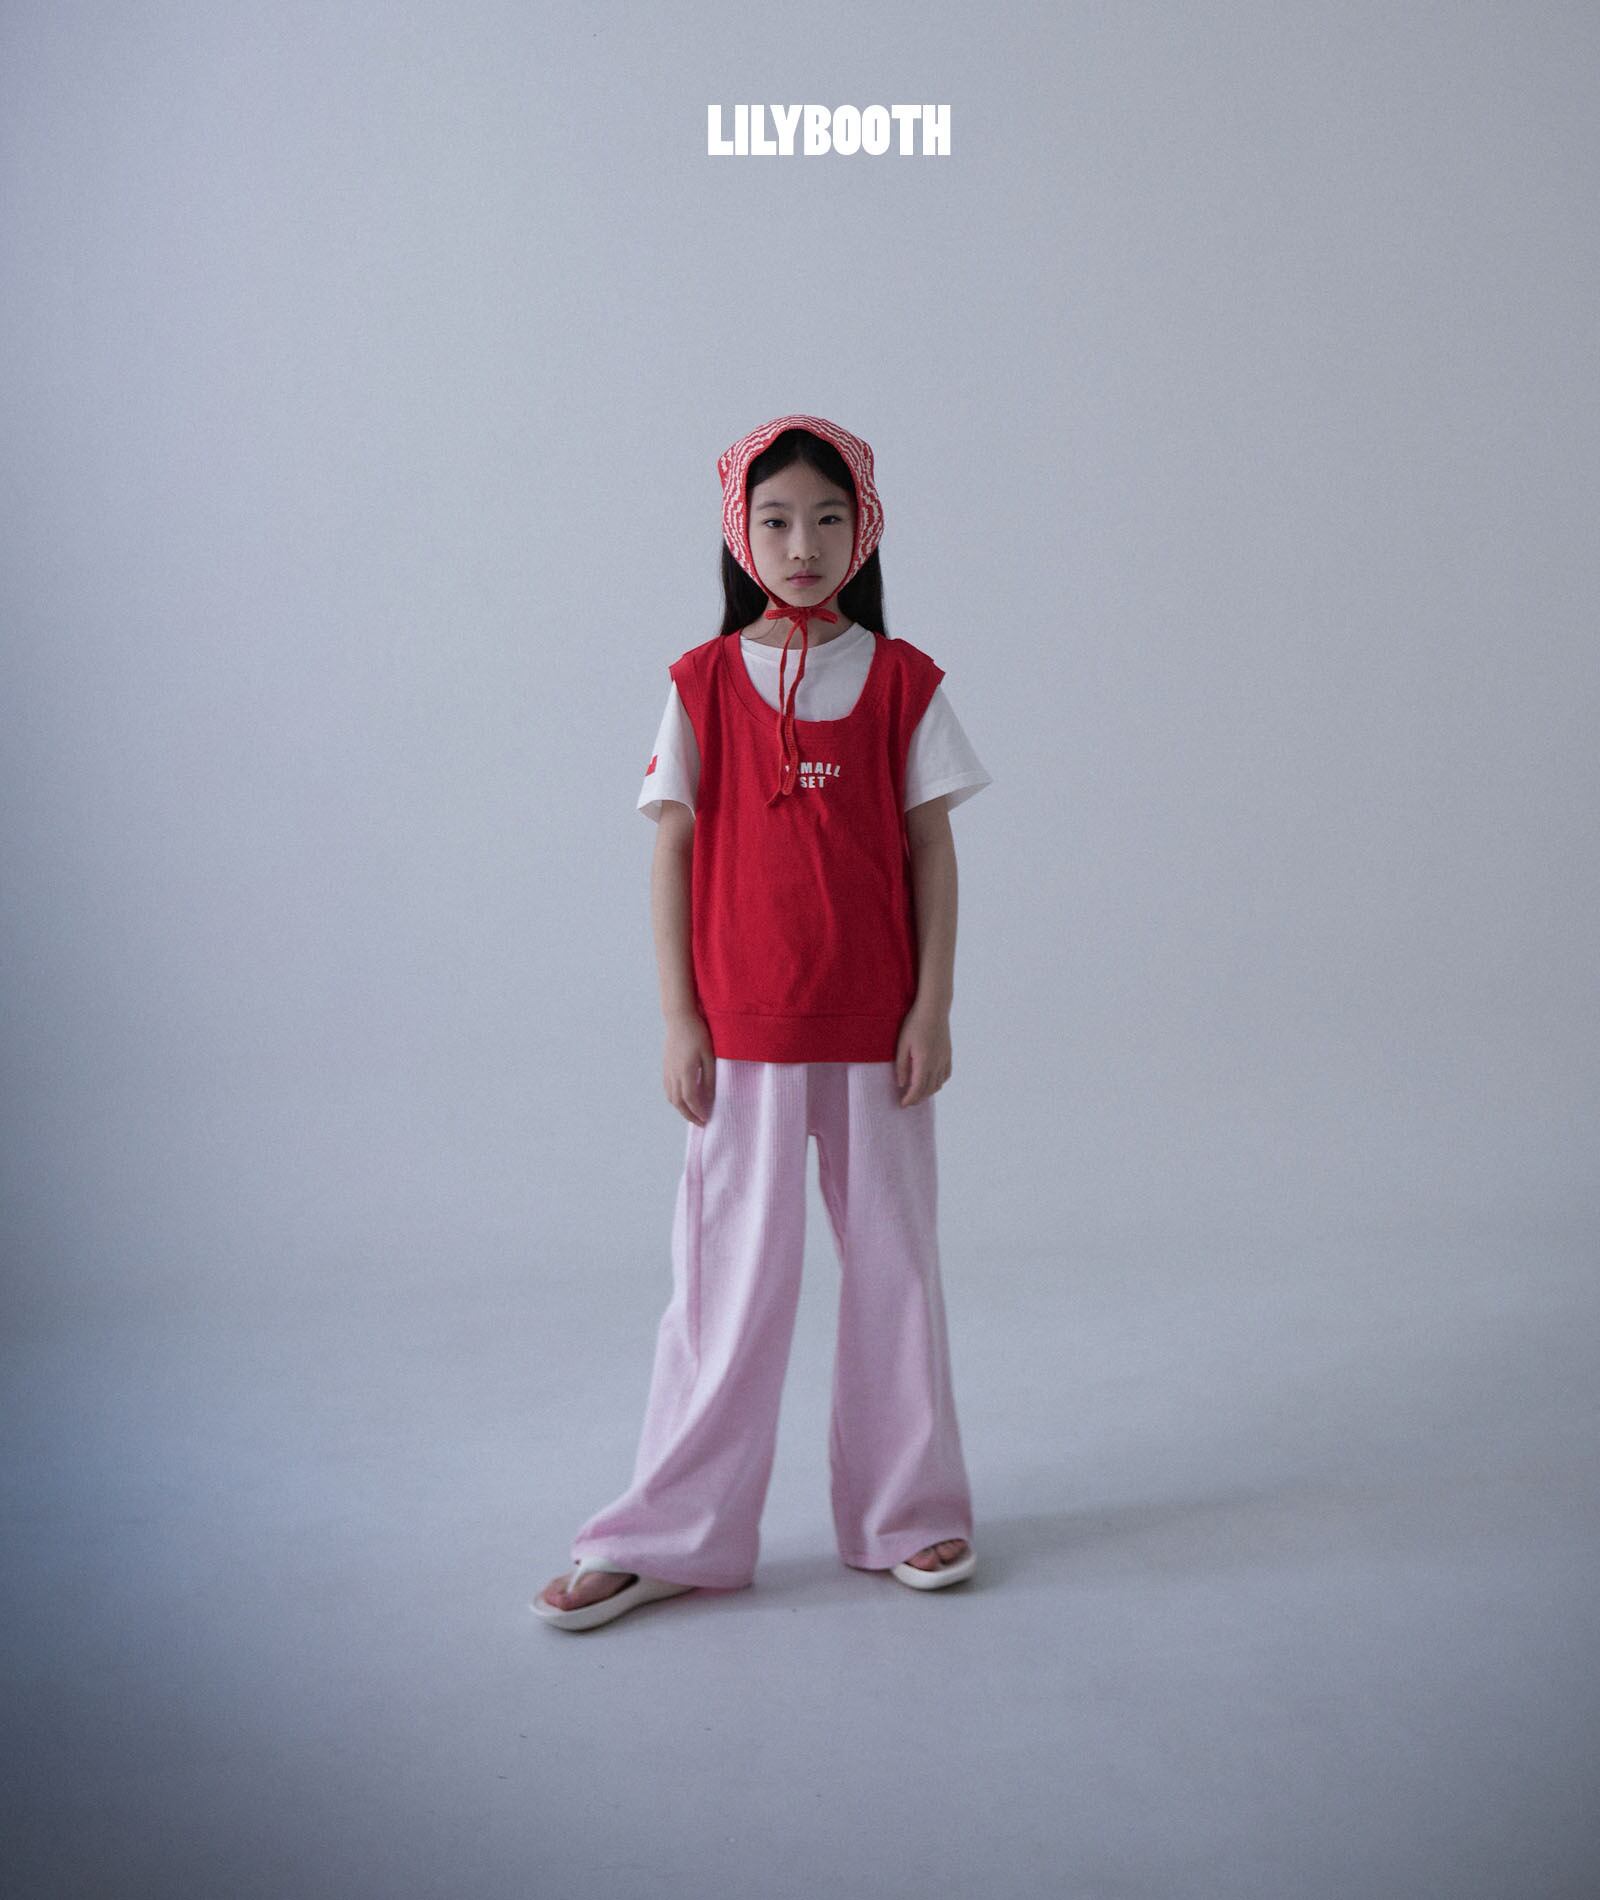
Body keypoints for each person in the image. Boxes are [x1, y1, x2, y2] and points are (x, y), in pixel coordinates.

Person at [533, 414, 993, 1631]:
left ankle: (906, 1510)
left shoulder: (904, 681)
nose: (803, 546)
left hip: (878, 1038)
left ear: (865, 530)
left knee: (895, 1275)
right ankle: (666, 1534)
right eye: (777, 520)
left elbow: (932, 852)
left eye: (829, 519)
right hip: (741, 1040)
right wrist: (679, 1017)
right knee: (724, 1292)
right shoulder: (698, 683)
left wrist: (932, 1007)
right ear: (740, 533)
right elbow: (671, 851)